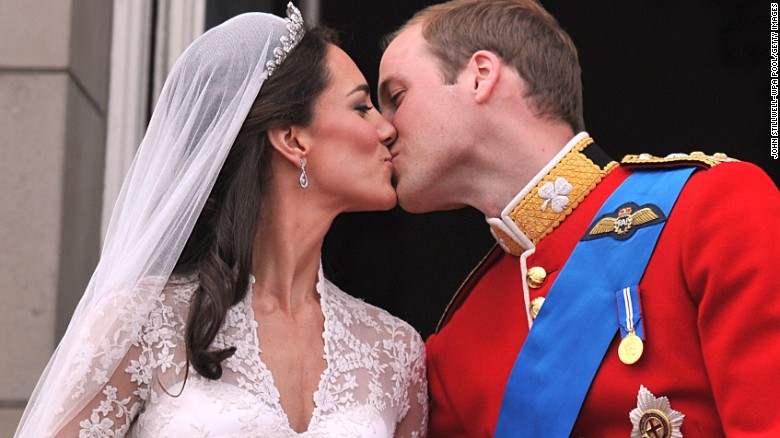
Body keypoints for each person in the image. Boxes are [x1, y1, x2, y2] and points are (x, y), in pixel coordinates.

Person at [16, 4, 427, 437]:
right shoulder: (141, 323)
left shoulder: (395, 352)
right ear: (292, 139)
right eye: (362, 107)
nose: (388, 129)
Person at [378, 0, 780, 436]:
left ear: (480, 75)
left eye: (395, 98)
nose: (381, 130)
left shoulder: (711, 207)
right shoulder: (453, 347)